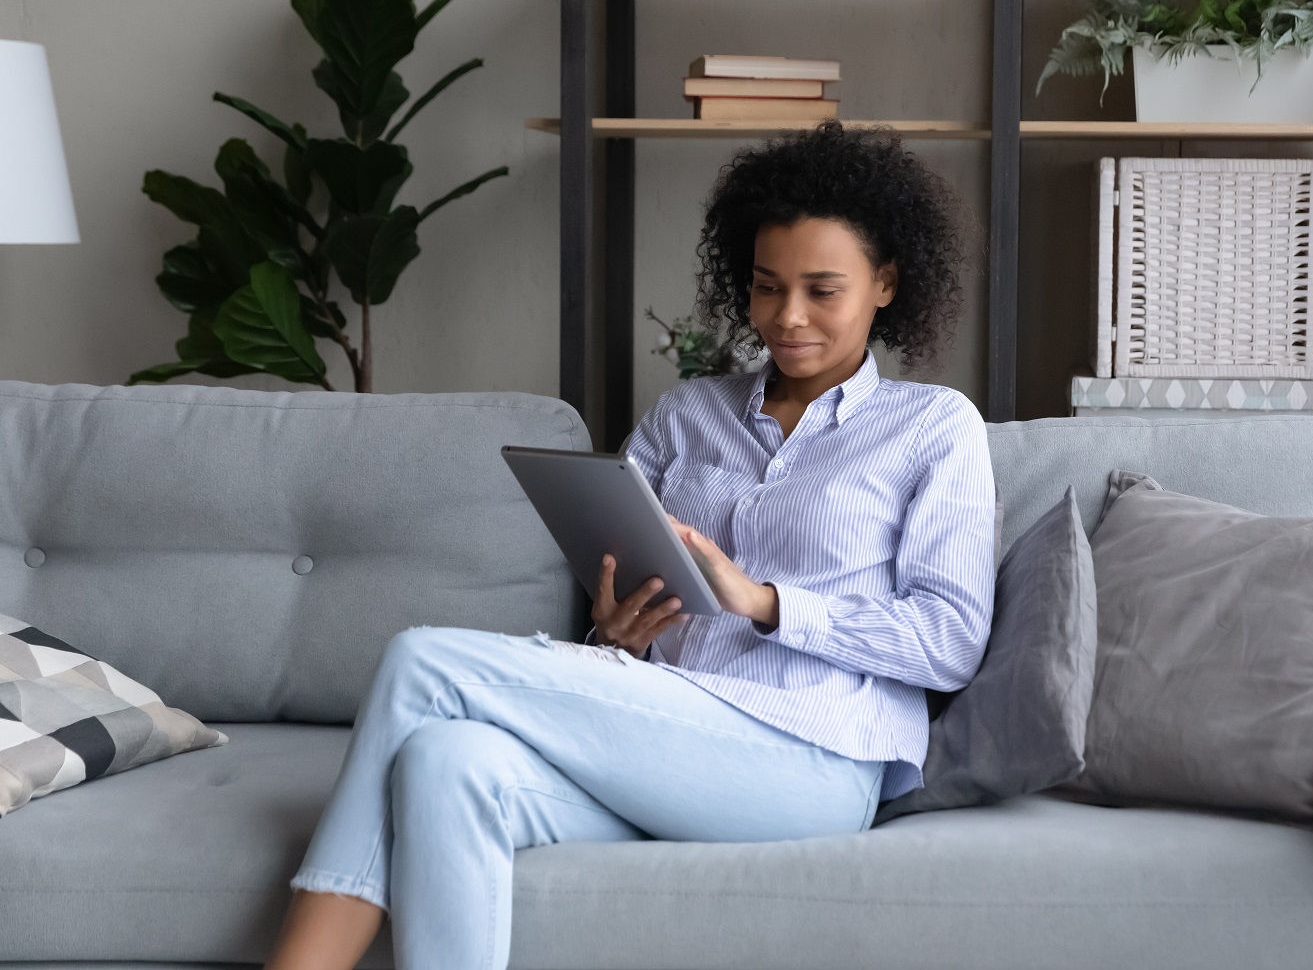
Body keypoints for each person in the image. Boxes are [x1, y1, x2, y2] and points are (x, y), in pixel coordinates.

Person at [265, 121, 997, 970]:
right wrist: (613, 634)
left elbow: (949, 643)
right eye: (766, 288)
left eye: (821, 290)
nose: (786, 318)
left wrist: (764, 603)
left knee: (422, 663)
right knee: (442, 759)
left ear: (886, 284)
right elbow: (623, 597)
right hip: (662, 738)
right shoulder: (687, 415)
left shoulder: (934, 427)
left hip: (812, 758)